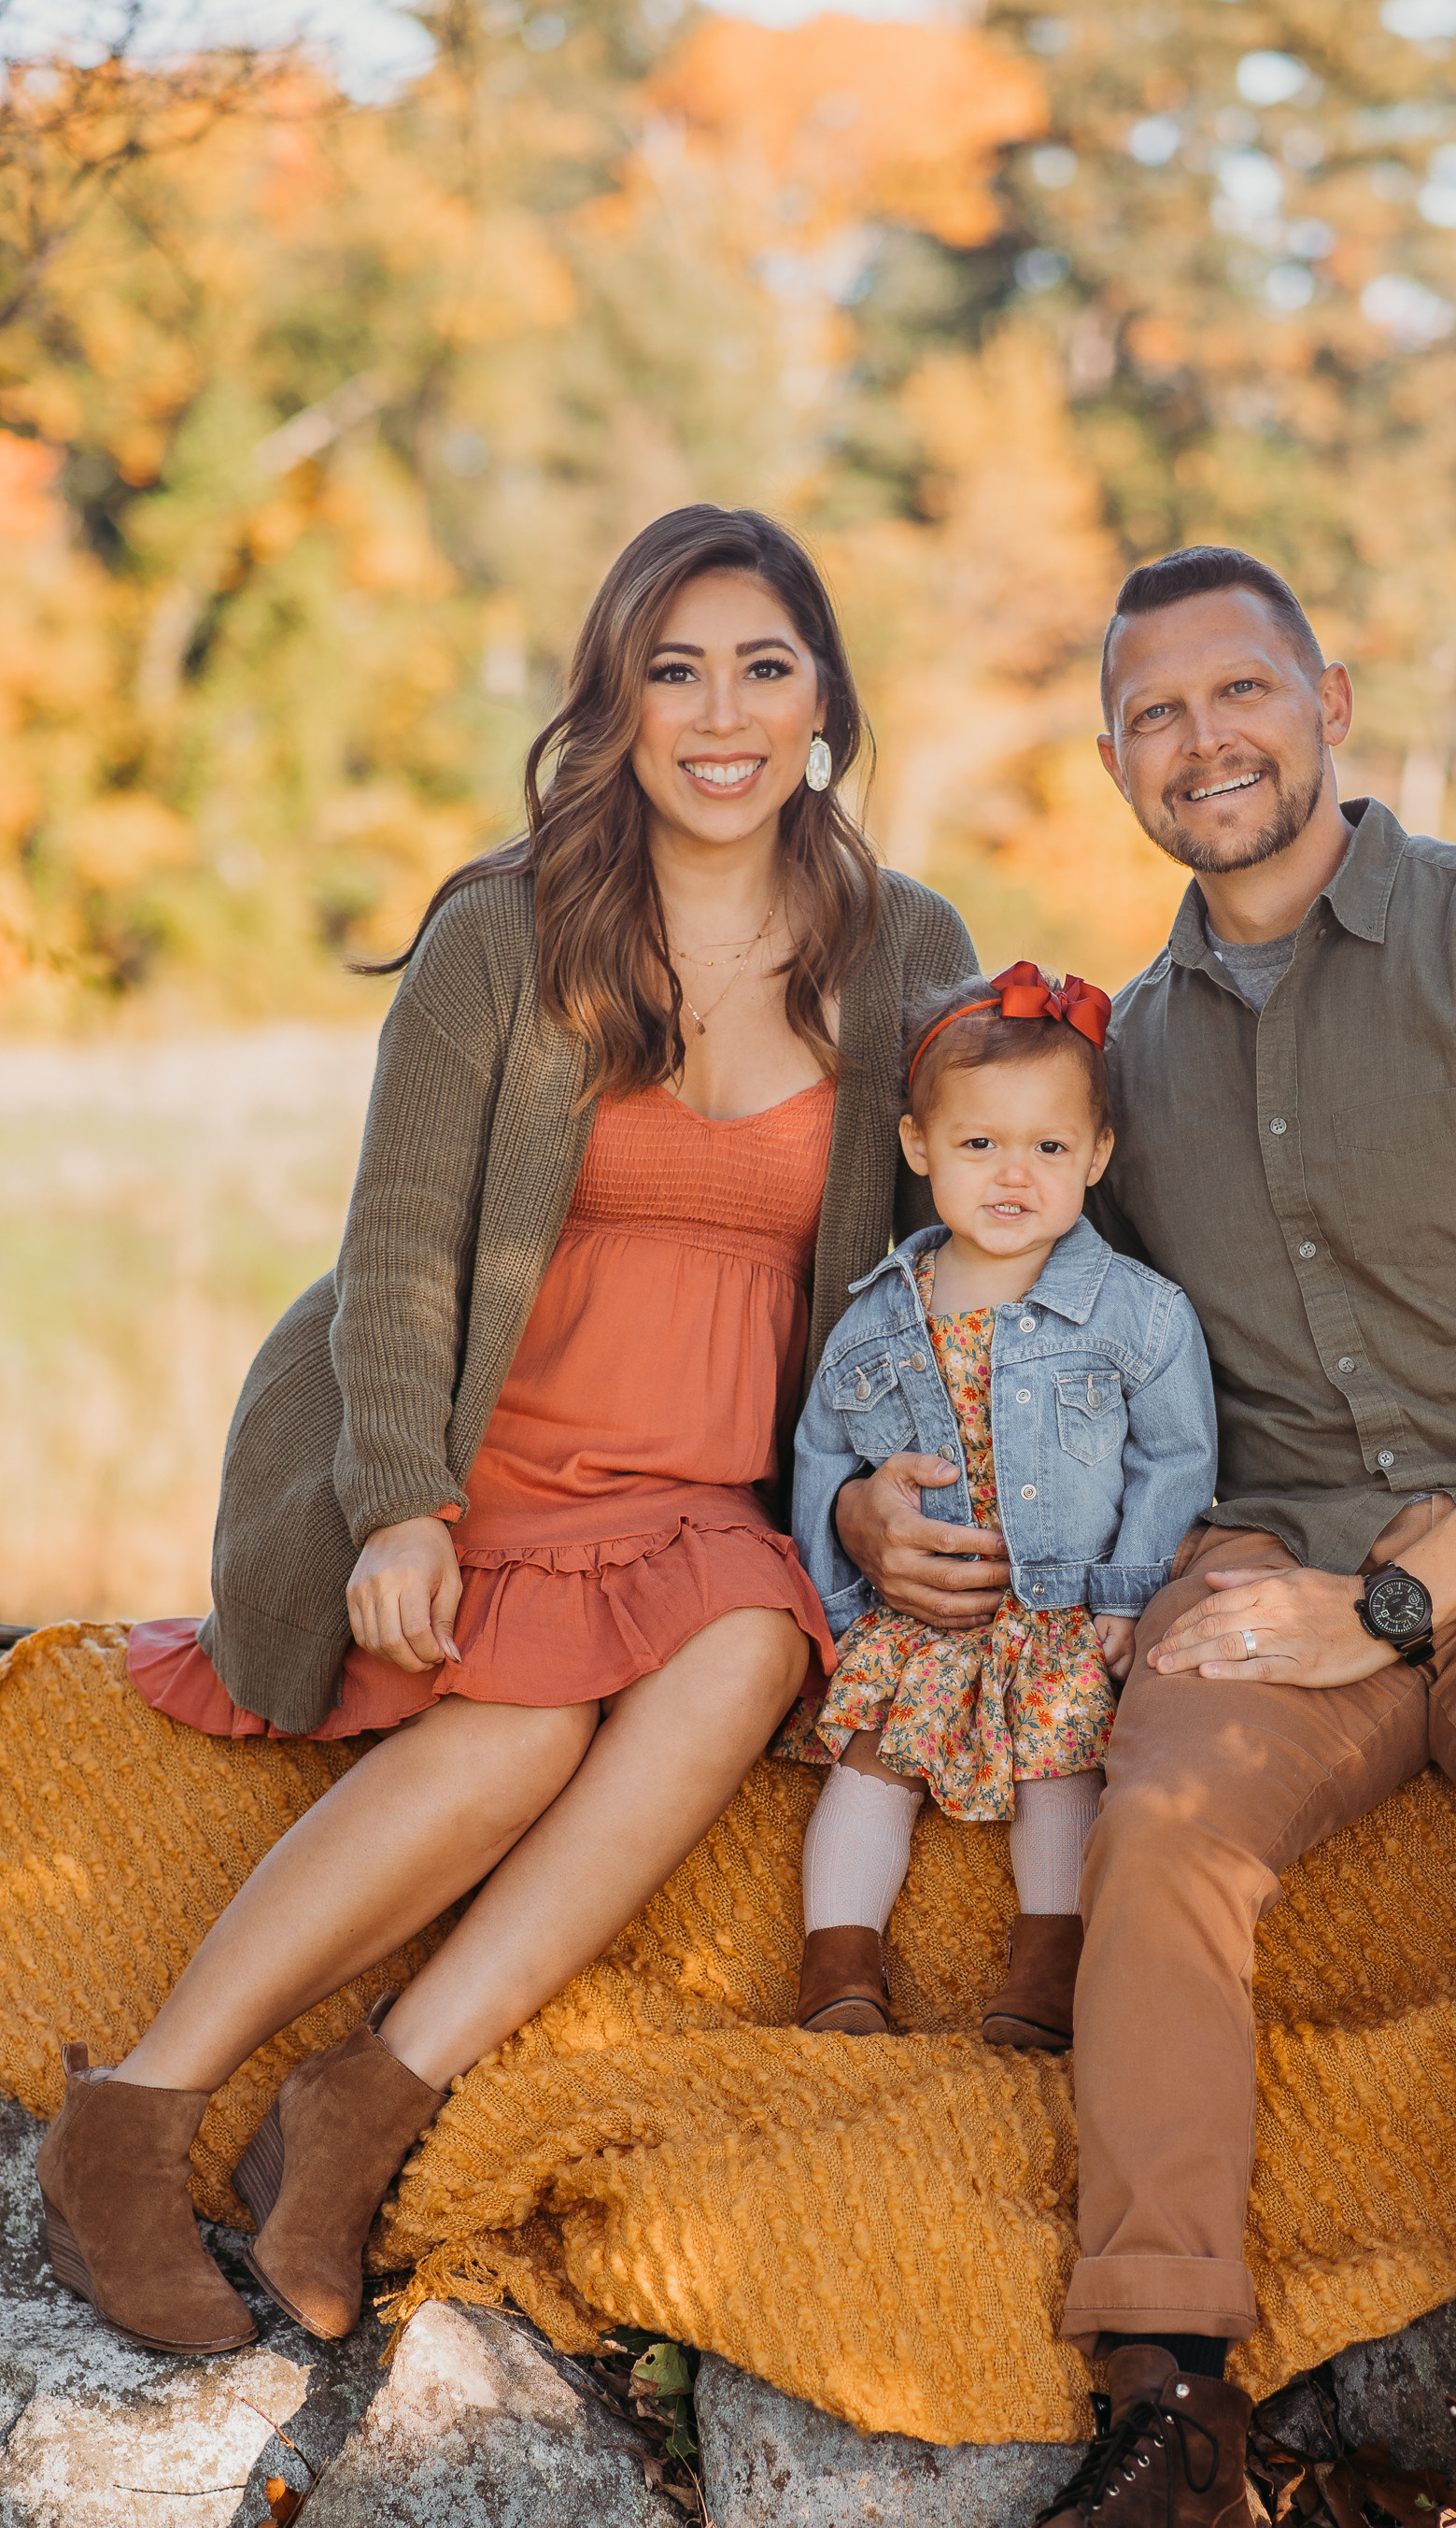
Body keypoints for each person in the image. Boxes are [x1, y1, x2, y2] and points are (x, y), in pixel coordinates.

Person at [838, 545, 1456, 2528]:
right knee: (1161, 1812)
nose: (1201, 741)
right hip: (1274, 1552)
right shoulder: (1121, 1056)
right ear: (1113, 760)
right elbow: (1011, 1295)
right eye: (1152, 714)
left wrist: (1401, 1597)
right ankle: (1166, 2444)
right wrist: (877, 1487)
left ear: (1326, 695)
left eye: (1236, 692)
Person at [38, 504, 978, 2363]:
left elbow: (957, 1240)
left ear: (825, 705)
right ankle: (132, 2118)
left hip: (702, 1489)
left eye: (763, 669)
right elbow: (393, 1249)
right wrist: (399, 1505)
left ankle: (363, 2111)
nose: (721, 715)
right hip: (489, 1451)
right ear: (612, 701)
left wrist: (881, 1485)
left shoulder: (901, 948)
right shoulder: (515, 927)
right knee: (523, 1722)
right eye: (673, 669)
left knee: (740, 1642)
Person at [775, 963, 1218, 2047]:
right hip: (923, 1615)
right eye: (978, 1146)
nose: (1012, 1176)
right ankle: (839, 1965)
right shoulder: (877, 1315)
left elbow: (1176, 1460)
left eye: (1049, 1149)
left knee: (1059, 1770)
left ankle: (1046, 1975)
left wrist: (1122, 1597)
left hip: (1064, 1611)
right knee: (871, 1765)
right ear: (918, 1147)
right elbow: (821, 1453)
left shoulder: (1137, 1315)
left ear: (1096, 1157)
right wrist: (836, 1616)